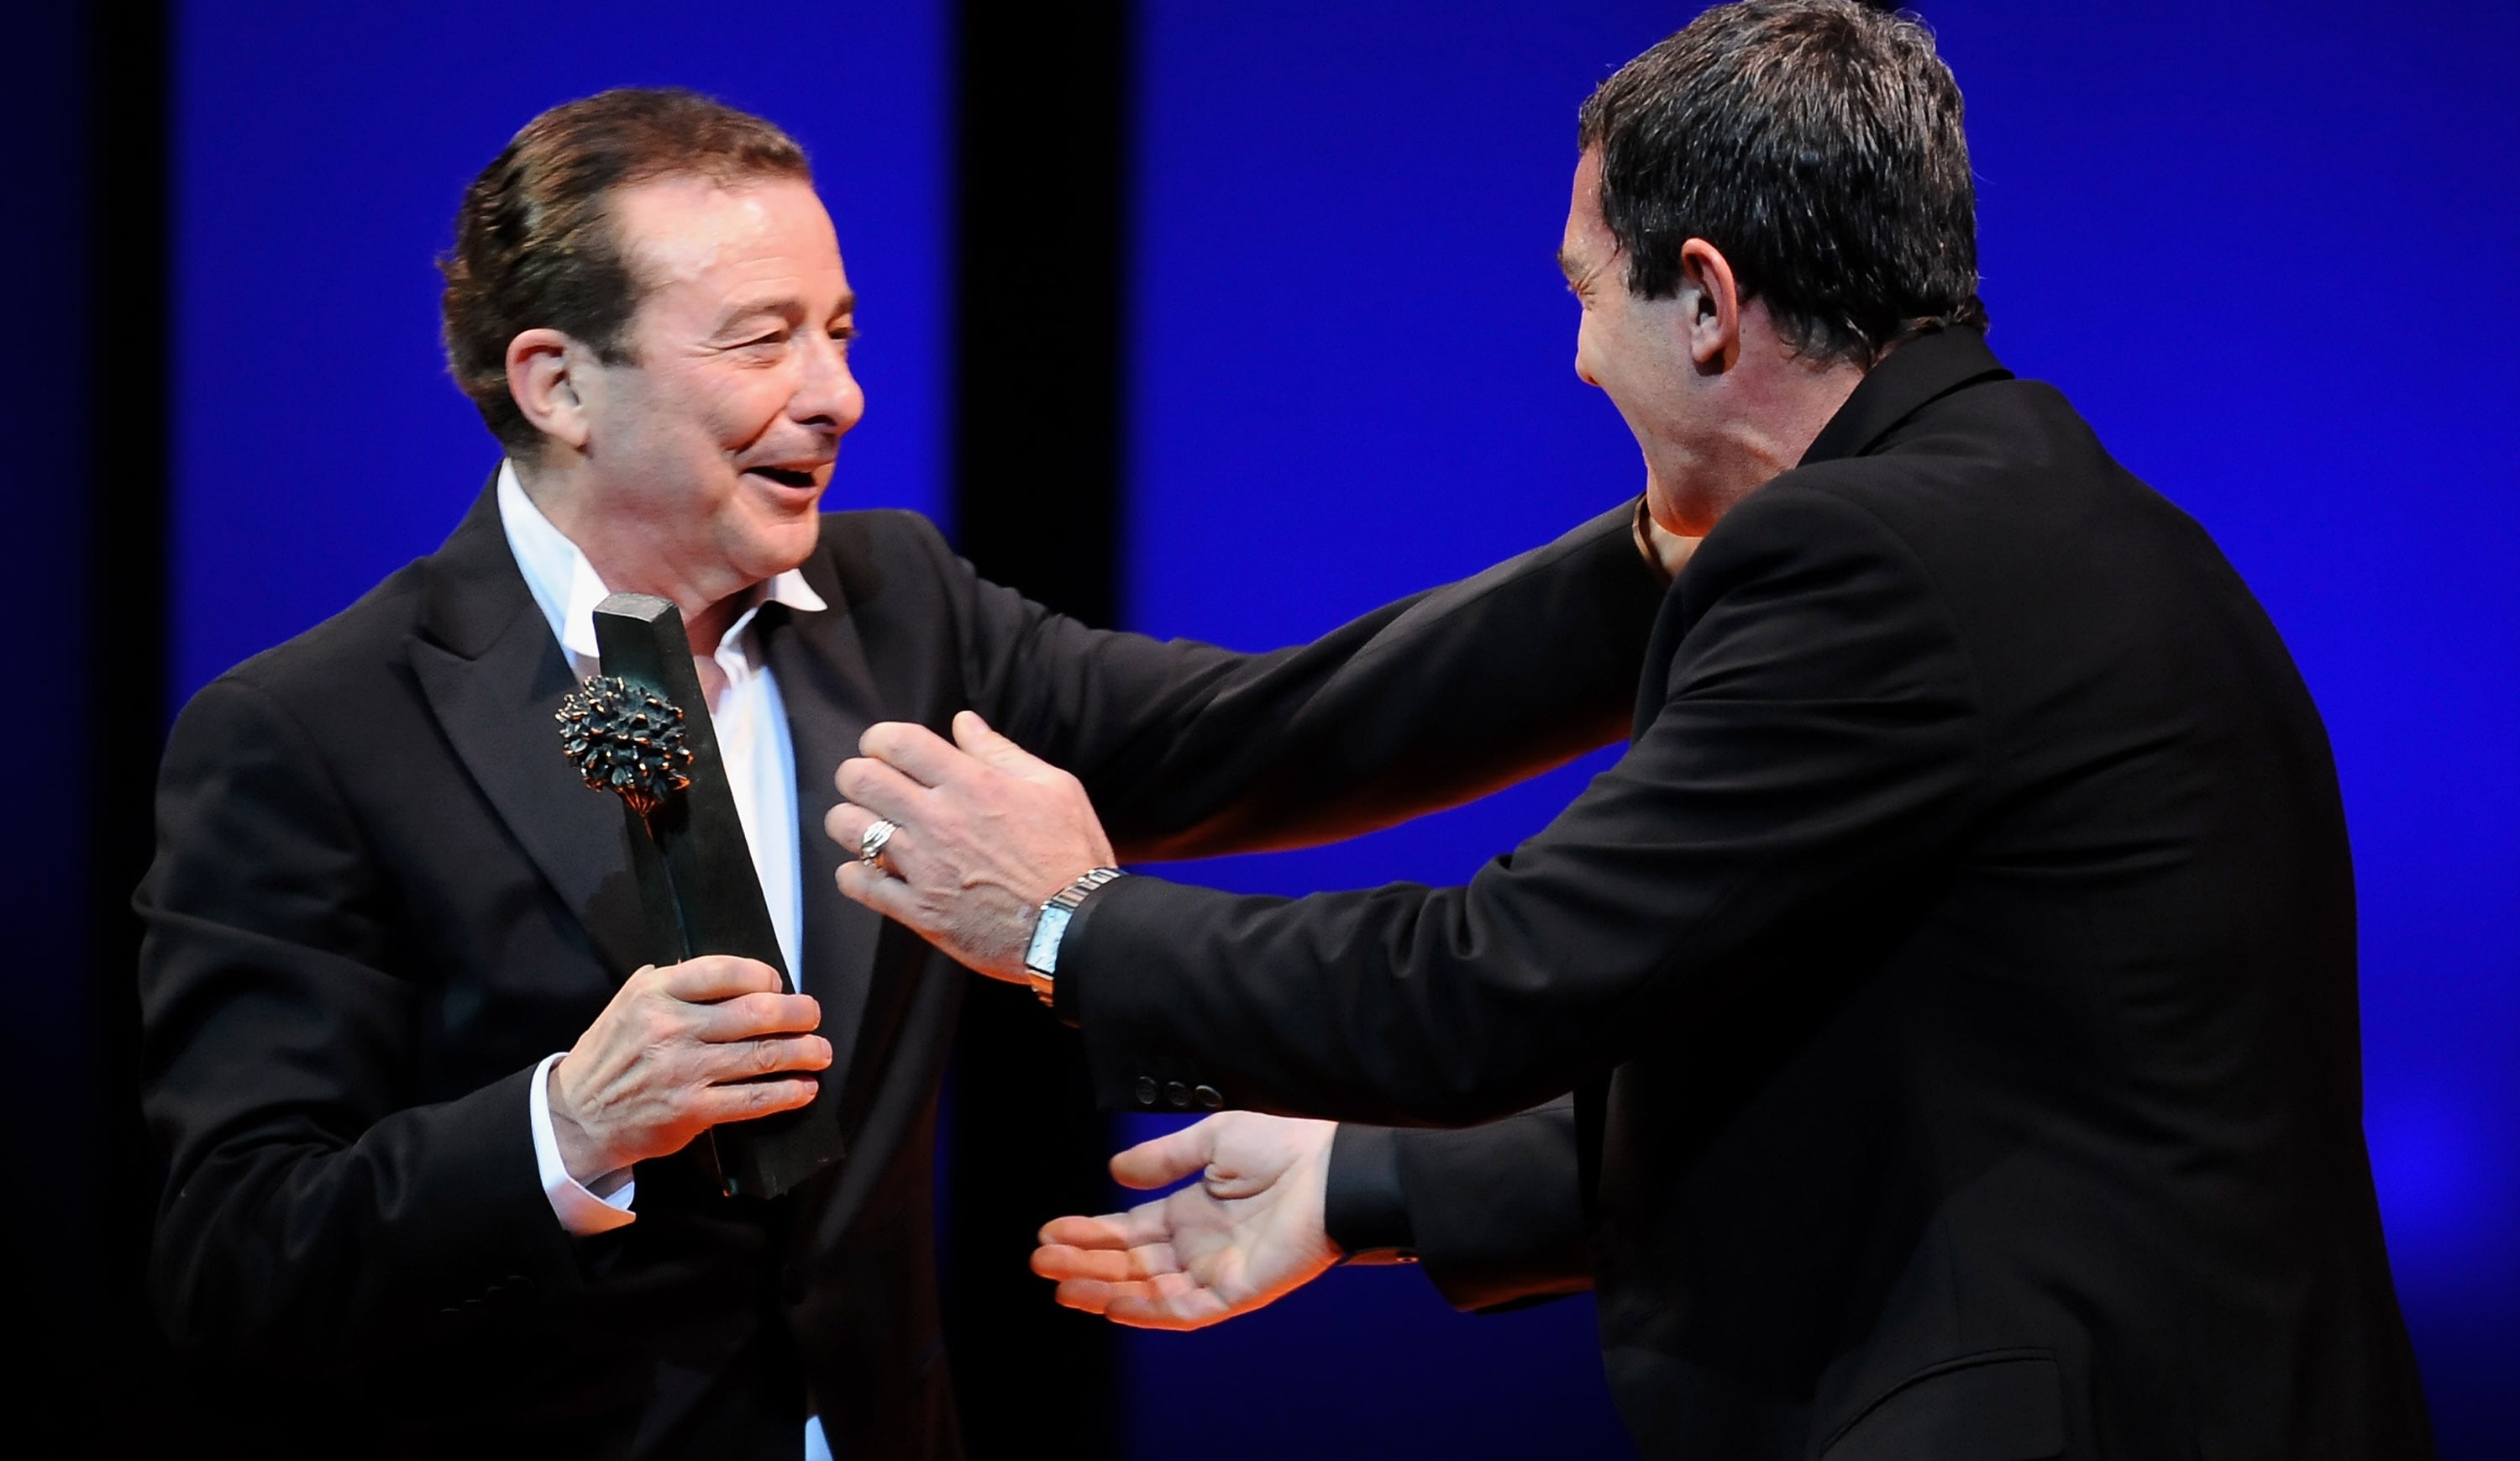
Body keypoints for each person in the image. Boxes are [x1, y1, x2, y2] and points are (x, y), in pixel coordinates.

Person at [828, 0, 2438, 1459]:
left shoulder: (1868, 563)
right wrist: (1357, 1185)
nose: (1579, 353)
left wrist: (1063, 924)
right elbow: (1877, 1076)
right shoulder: (2068, 515)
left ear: (1711, 304)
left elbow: (1492, 981)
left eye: (1588, 291)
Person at [134, 88, 1690, 1458]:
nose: (838, 395)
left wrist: (1677, 553)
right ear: (555, 382)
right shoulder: (312, 732)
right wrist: (563, 1123)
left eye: (842, 330)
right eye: (761, 339)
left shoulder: (896, 612)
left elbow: (1282, 728)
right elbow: (235, 1258)